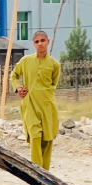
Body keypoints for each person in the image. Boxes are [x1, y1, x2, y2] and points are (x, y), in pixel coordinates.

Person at [11, 30, 62, 169]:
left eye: (42, 41)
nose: (40, 44)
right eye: (36, 41)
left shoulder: (54, 64)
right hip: (30, 104)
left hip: (47, 105)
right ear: (33, 44)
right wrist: (19, 88)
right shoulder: (25, 61)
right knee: (35, 136)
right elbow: (14, 76)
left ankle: (45, 174)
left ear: (48, 42)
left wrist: (44, 93)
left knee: (47, 139)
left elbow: (53, 84)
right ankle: (36, 171)